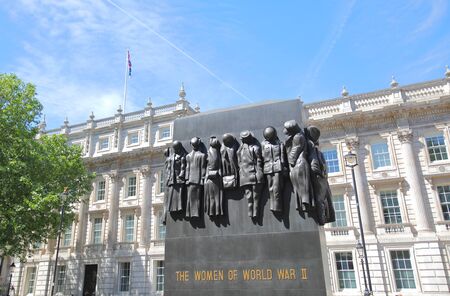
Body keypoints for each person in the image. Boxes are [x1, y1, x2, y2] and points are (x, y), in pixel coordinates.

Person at [306, 126, 335, 225]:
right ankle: (322, 218)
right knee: (321, 199)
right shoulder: (316, 152)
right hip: (321, 177)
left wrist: (319, 174)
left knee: (321, 199)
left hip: (320, 177)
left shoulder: (316, 151)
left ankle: (322, 218)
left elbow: (315, 165)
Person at [283, 120, 311, 211]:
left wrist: (289, 163)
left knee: (301, 186)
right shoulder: (298, 135)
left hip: (298, 164)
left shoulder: (298, 137)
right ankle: (302, 204)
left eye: (287, 129)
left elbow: (294, 152)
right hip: (298, 164)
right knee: (298, 187)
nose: (285, 131)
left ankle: (304, 204)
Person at [237, 130, 264, 218]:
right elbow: (259, 161)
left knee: (250, 195)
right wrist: (260, 172)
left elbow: (239, 162)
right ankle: (254, 210)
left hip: (245, 175)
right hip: (253, 174)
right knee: (255, 195)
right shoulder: (255, 148)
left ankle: (252, 210)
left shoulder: (239, 150)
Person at [261, 126, 288, 212]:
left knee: (277, 187)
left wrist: (284, 168)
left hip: (278, 167)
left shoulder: (280, 144)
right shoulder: (263, 144)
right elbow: (262, 156)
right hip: (268, 167)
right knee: (270, 188)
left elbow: (282, 157)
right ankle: (273, 206)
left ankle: (278, 206)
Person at [185, 137, 207, 218]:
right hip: (194, 180)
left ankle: (193, 214)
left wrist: (187, 179)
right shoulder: (200, 155)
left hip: (193, 180)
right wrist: (187, 179)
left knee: (193, 197)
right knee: (193, 198)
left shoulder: (199, 155)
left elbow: (202, 168)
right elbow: (202, 168)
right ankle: (191, 213)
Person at [204, 136, 224, 216]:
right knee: (216, 197)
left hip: (210, 178)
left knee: (212, 197)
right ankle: (216, 212)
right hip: (215, 178)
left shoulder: (210, 152)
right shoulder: (216, 152)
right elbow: (218, 165)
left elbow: (208, 167)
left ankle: (212, 212)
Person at [167, 140, 186, 212]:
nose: (175, 150)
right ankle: (172, 208)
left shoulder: (183, 156)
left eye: (177, 148)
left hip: (179, 178)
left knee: (179, 194)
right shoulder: (171, 158)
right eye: (174, 148)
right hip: (172, 178)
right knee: (172, 194)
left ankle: (179, 208)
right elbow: (169, 168)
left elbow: (183, 167)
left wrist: (182, 175)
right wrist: (169, 177)